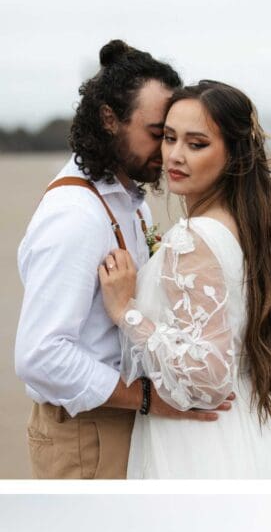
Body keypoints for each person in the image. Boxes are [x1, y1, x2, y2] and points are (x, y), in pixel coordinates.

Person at [15, 40, 233, 480]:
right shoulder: (76, 216)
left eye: (175, 136)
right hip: (87, 434)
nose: (168, 152)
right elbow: (40, 356)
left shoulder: (131, 200)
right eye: (159, 134)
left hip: (121, 421)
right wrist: (150, 398)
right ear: (110, 119)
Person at [98, 80, 271, 478]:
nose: (175, 156)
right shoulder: (241, 227)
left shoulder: (194, 237)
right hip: (247, 427)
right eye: (169, 138)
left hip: (201, 447)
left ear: (233, 154)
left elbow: (210, 379)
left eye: (196, 144)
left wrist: (125, 311)